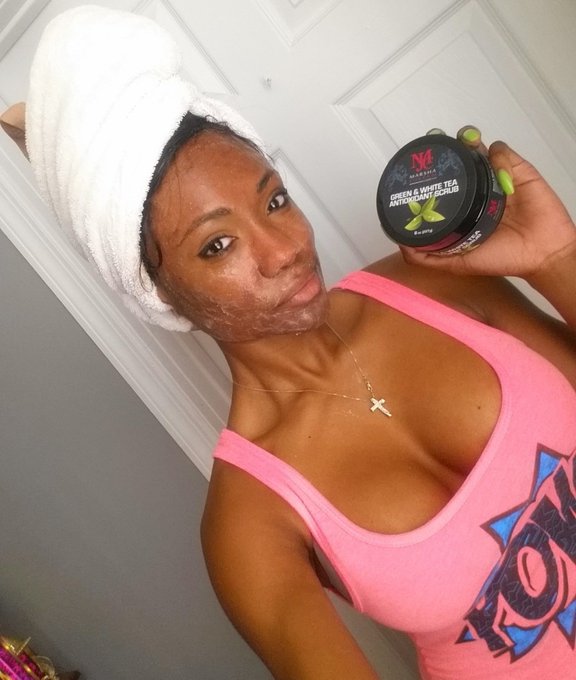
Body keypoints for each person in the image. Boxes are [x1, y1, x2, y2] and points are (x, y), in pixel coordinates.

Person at [15, 6, 576, 680]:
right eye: (218, 245)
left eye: (274, 201)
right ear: (160, 295)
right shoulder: (248, 522)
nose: (285, 250)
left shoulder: (435, 283)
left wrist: (557, 258)